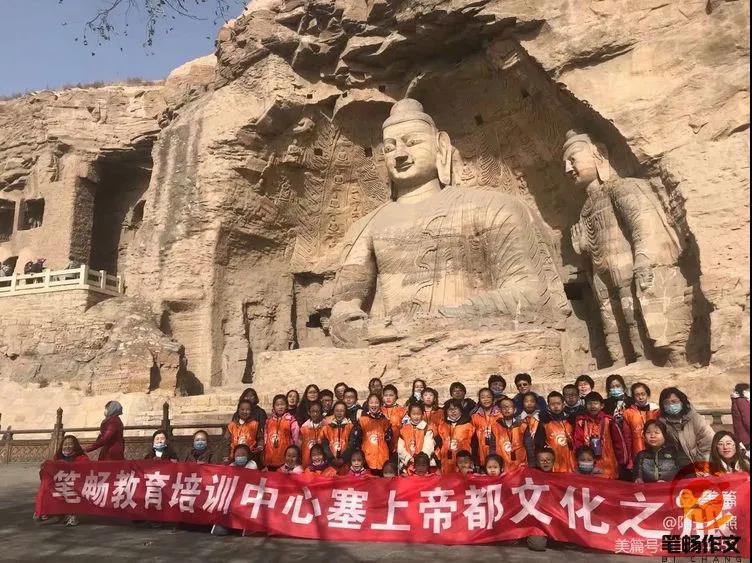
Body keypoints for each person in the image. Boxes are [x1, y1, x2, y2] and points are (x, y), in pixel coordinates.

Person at [573, 392, 629, 479]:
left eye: (595, 403)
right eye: (589, 404)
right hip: (588, 465)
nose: (592, 406)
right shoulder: (581, 422)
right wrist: (581, 461)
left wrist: (622, 462)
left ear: (602, 405)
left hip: (609, 464)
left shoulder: (609, 421)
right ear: (585, 405)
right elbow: (578, 442)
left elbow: (618, 442)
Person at [658, 387, 714, 464]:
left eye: (674, 401)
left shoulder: (696, 418)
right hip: (676, 464)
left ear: (682, 402)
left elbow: (708, 443)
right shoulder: (663, 423)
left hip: (699, 462)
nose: (671, 405)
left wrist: (700, 465)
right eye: (667, 403)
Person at [51, 435, 89, 526]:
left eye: (70, 444)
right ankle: (56, 512)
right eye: (65, 444)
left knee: (71, 490)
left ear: (75, 446)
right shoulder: (57, 457)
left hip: (76, 483)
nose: (67, 446)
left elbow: (86, 471)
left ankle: (73, 515)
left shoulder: (82, 458)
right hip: (60, 483)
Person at [537, 392, 575, 473]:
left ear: (563, 405)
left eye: (558, 403)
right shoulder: (544, 423)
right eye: (552, 404)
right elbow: (539, 443)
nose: (556, 406)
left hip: (571, 461)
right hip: (553, 462)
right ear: (548, 406)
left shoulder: (571, 420)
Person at [435, 399, 474, 474]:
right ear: (446, 412)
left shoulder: (468, 425)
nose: (453, 412)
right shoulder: (442, 426)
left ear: (461, 410)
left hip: (463, 463)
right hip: (446, 463)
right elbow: (438, 445)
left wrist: (473, 461)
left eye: (456, 409)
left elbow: (474, 444)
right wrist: (438, 461)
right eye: (450, 409)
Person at [622, 382, 659, 458]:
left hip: (656, 450)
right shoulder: (628, 413)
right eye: (637, 395)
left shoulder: (656, 410)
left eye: (643, 394)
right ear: (633, 397)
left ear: (647, 394)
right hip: (638, 452)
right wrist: (629, 458)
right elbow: (627, 437)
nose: (641, 397)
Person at [264, 394, 300, 470]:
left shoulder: (291, 420)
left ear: (286, 406)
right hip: (270, 457)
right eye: (277, 405)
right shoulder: (269, 421)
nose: (280, 407)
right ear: (273, 407)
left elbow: (296, 438)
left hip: (284, 458)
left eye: (282, 404)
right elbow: (265, 436)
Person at [321, 401, 359, 473]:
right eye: (337, 410)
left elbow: (351, 445)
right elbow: (325, 445)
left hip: (346, 464)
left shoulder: (351, 427)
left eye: (342, 411)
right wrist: (332, 458)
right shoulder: (327, 428)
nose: (339, 413)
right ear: (333, 412)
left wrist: (343, 459)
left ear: (345, 412)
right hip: (330, 465)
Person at [359, 393, 392, 474]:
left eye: (376, 402)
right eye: (371, 402)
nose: (374, 405)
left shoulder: (385, 421)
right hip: (367, 458)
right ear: (367, 404)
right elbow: (356, 440)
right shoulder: (362, 420)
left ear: (380, 404)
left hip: (382, 458)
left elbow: (389, 439)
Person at [398, 403, 435, 474]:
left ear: (422, 414)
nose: (416, 417)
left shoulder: (427, 428)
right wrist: (408, 458)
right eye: (414, 414)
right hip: (408, 463)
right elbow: (400, 447)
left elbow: (429, 446)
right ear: (409, 414)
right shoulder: (404, 429)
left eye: (418, 414)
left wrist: (420, 459)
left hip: (422, 464)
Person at [493, 396, 527, 472]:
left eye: (509, 407)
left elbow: (529, 446)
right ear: (500, 410)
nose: (507, 409)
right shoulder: (495, 426)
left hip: (520, 465)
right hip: (502, 466)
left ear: (515, 409)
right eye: (503, 407)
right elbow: (492, 447)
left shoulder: (523, 425)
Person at [225, 399, 262, 463]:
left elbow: (260, 438)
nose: (245, 412)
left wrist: (260, 446)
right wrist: (226, 455)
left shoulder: (255, 424)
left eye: (248, 410)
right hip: (234, 457)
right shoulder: (232, 425)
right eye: (242, 409)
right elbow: (225, 442)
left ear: (251, 411)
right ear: (238, 410)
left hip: (250, 457)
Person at [472, 387, 501, 467]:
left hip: (498, 452)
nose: (486, 399)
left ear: (493, 399)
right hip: (481, 452)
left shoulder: (500, 415)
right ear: (479, 400)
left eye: (488, 397)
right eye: (483, 397)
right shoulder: (475, 416)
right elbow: (473, 439)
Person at [519, 392, 544, 467]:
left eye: (532, 401)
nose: (529, 403)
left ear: (536, 403)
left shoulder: (542, 418)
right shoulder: (518, 420)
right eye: (526, 401)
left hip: (539, 454)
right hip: (523, 455)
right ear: (522, 403)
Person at [381, 385, 407, 457]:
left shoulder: (403, 410)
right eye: (386, 395)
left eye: (391, 395)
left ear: (396, 397)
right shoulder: (379, 410)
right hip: (382, 446)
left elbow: (406, 429)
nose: (388, 398)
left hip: (398, 446)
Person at [299, 400, 326, 467]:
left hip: (323, 463)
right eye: (313, 411)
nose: (315, 414)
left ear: (321, 412)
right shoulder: (304, 427)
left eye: (317, 411)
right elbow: (299, 445)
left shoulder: (326, 426)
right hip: (307, 462)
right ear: (309, 412)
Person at [731, 383, 750, 449]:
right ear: (744, 391)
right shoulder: (742, 401)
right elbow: (747, 420)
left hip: (741, 436)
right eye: (748, 390)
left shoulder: (736, 401)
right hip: (746, 436)